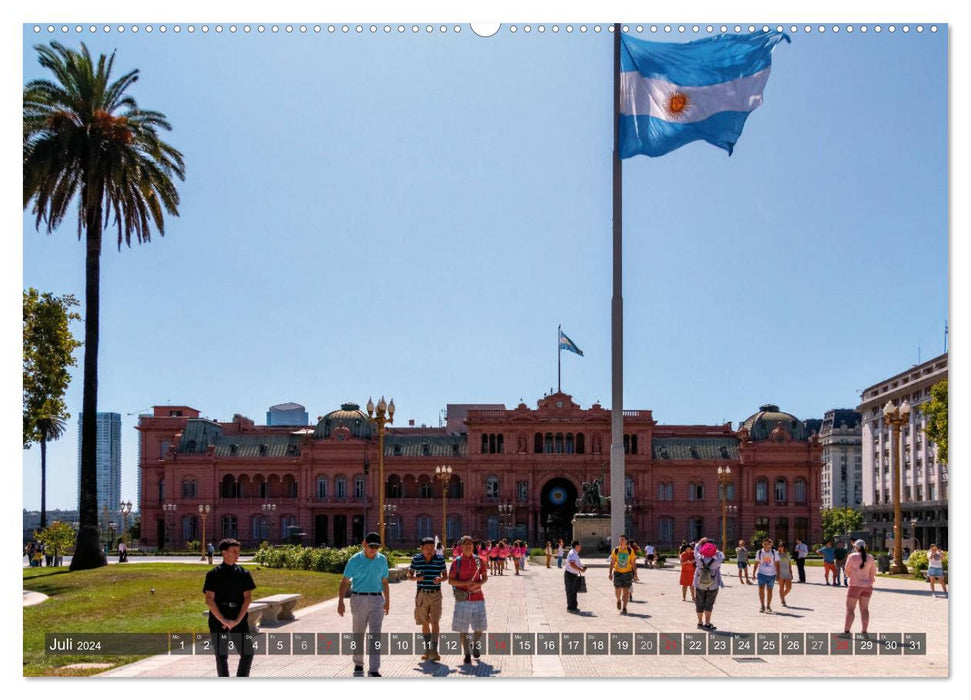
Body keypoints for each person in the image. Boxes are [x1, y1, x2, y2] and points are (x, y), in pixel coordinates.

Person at [337, 532, 390, 677]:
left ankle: (374, 669)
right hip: (358, 599)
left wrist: (387, 602)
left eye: (376, 547)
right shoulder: (354, 560)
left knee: (376, 635)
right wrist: (340, 602)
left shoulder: (382, 560)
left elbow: (385, 582)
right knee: (358, 633)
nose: (373, 549)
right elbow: (345, 581)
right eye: (371, 546)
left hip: (377, 600)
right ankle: (358, 664)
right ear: (364, 544)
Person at [203, 538, 256, 677]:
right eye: (234, 551)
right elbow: (209, 600)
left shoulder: (244, 574)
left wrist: (237, 621)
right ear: (224, 553)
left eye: (238, 552)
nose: (238, 554)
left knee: (248, 653)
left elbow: (247, 598)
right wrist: (223, 621)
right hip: (218, 618)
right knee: (221, 656)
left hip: (238, 617)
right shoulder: (213, 575)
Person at [448, 535, 488, 665]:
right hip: (463, 599)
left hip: (478, 598)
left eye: (470, 544)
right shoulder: (456, 562)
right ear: (461, 546)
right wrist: (465, 582)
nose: (468, 546)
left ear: (474, 546)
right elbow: (450, 581)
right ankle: (466, 653)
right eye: (465, 544)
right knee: (463, 629)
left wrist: (478, 584)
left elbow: (485, 577)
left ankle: (475, 644)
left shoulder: (479, 561)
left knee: (480, 627)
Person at [408, 536, 447, 662]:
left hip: (435, 595)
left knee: (435, 622)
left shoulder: (440, 559)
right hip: (422, 595)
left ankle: (434, 650)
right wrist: (415, 578)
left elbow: (445, 576)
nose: (430, 550)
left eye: (432, 548)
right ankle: (427, 649)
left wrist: (440, 579)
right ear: (421, 548)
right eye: (427, 548)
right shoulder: (416, 559)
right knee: (424, 623)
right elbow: (409, 574)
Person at [843, 539, 876, 635]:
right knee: (865, 609)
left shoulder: (851, 557)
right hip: (867, 586)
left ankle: (847, 630)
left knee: (850, 609)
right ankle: (864, 630)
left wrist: (850, 576)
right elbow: (873, 572)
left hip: (855, 585)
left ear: (855, 547)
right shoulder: (870, 557)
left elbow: (847, 570)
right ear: (864, 547)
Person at [693, 538, 724, 630]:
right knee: (709, 604)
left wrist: (700, 542)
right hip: (712, 585)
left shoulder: (699, 558)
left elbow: (695, 550)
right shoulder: (716, 561)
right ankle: (707, 623)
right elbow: (722, 555)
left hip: (700, 584)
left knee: (699, 603)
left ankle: (699, 622)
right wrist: (715, 549)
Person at [609, 534, 638, 614]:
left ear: (626, 541)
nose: (621, 541)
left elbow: (633, 563)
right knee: (617, 589)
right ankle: (618, 600)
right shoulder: (616, 550)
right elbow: (612, 562)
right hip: (617, 572)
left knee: (626, 591)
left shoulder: (630, 550)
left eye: (623, 539)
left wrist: (635, 574)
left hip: (627, 573)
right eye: (620, 539)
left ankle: (624, 607)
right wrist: (610, 573)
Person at [754, 538, 780, 613]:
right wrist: (753, 573)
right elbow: (756, 563)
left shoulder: (774, 552)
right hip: (761, 573)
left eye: (767, 544)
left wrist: (778, 575)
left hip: (771, 574)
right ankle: (762, 605)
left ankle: (768, 606)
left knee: (769, 590)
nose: (765, 545)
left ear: (770, 545)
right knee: (761, 589)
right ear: (762, 544)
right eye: (764, 544)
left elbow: (777, 564)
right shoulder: (759, 552)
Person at [564, 540, 587, 613]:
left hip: (574, 575)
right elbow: (572, 564)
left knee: (574, 591)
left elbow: (576, 563)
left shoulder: (575, 553)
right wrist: (580, 569)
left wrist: (582, 566)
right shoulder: (572, 553)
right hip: (570, 575)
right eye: (579, 546)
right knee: (570, 591)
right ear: (576, 546)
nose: (580, 547)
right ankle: (570, 607)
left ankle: (574, 607)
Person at [776, 542, 793, 607]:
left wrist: (791, 572)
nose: (781, 547)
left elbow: (789, 564)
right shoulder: (777, 554)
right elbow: (776, 565)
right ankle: (783, 600)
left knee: (789, 588)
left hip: (787, 573)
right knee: (781, 588)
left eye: (782, 546)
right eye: (779, 546)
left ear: (784, 547)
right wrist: (777, 574)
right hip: (780, 573)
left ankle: (782, 596)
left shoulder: (787, 554)